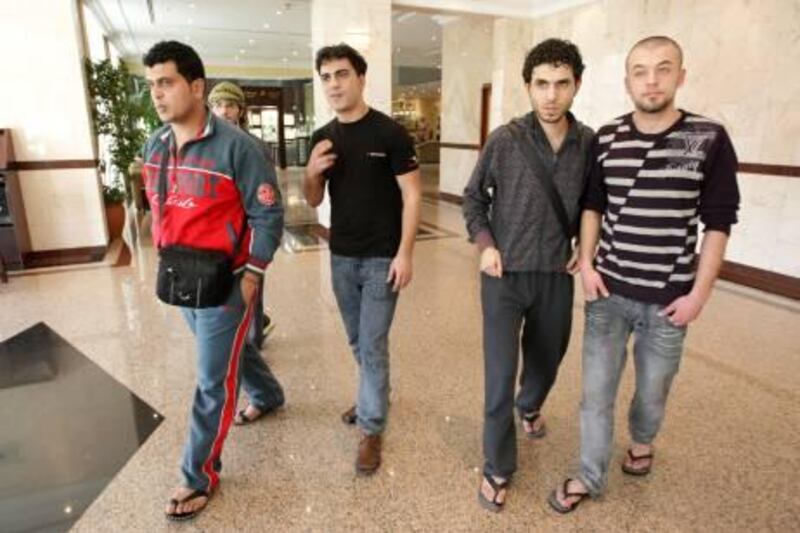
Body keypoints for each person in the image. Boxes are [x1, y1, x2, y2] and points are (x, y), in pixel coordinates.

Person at [548, 35, 740, 514]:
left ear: (680, 75)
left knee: (652, 392)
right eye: (640, 70)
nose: (651, 80)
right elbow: (593, 206)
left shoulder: (709, 138)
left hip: (669, 301)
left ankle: (642, 439)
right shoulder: (607, 137)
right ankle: (589, 475)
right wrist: (588, 265)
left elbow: (718, 223)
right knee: (595, 394)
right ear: (627, 80)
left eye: (662, 68)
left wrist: (699, 295)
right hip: (608, 293)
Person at [141, 41, 284, 520]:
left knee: (210, 380)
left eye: (166, 82)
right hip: (181, 277)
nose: (157, 95)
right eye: (151, 85)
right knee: (228, 356)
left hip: (227, 282)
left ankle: (198, 474)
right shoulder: (154, 145)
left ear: (195, 87)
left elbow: (268, 214)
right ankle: (268, 394)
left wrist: (251, 279)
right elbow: (158, 208)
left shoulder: (238, 148)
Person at [462, 38, 594, 512]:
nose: (551, 95)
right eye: (542, 84)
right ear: (528, 86)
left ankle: (531, 404)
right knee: (500, 375)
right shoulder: (506, 139)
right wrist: (486, 246)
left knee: (548, 359)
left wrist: (586, 242)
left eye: (562, 84)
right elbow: (474, 198)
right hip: (503, 276)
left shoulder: (589, 144)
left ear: (577, 85)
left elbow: (593, 206)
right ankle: (498, 465)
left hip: (555, 275)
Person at [303, 43, 422, 475]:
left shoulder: (389, 133)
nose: (334, 84)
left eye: (342, 74)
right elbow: (314, 199)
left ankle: (371, 428)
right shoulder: (323, 137)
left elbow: (412, 194)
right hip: (341, 256)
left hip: (382, 259)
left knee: (371, 344)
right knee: (358, 341)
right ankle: (376, 393)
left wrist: (405, 253)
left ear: (361, 78)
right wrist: (311, 172)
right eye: (327, 77)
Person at [208, 81, 278, 354]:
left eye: (230, 105)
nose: (224, 111)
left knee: (251, 290)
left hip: (246, 233)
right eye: (218, 105)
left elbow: (267, 198)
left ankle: (254, 341)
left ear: (240, 110)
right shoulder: (203, 146)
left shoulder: (255, 147)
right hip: (215, 236)